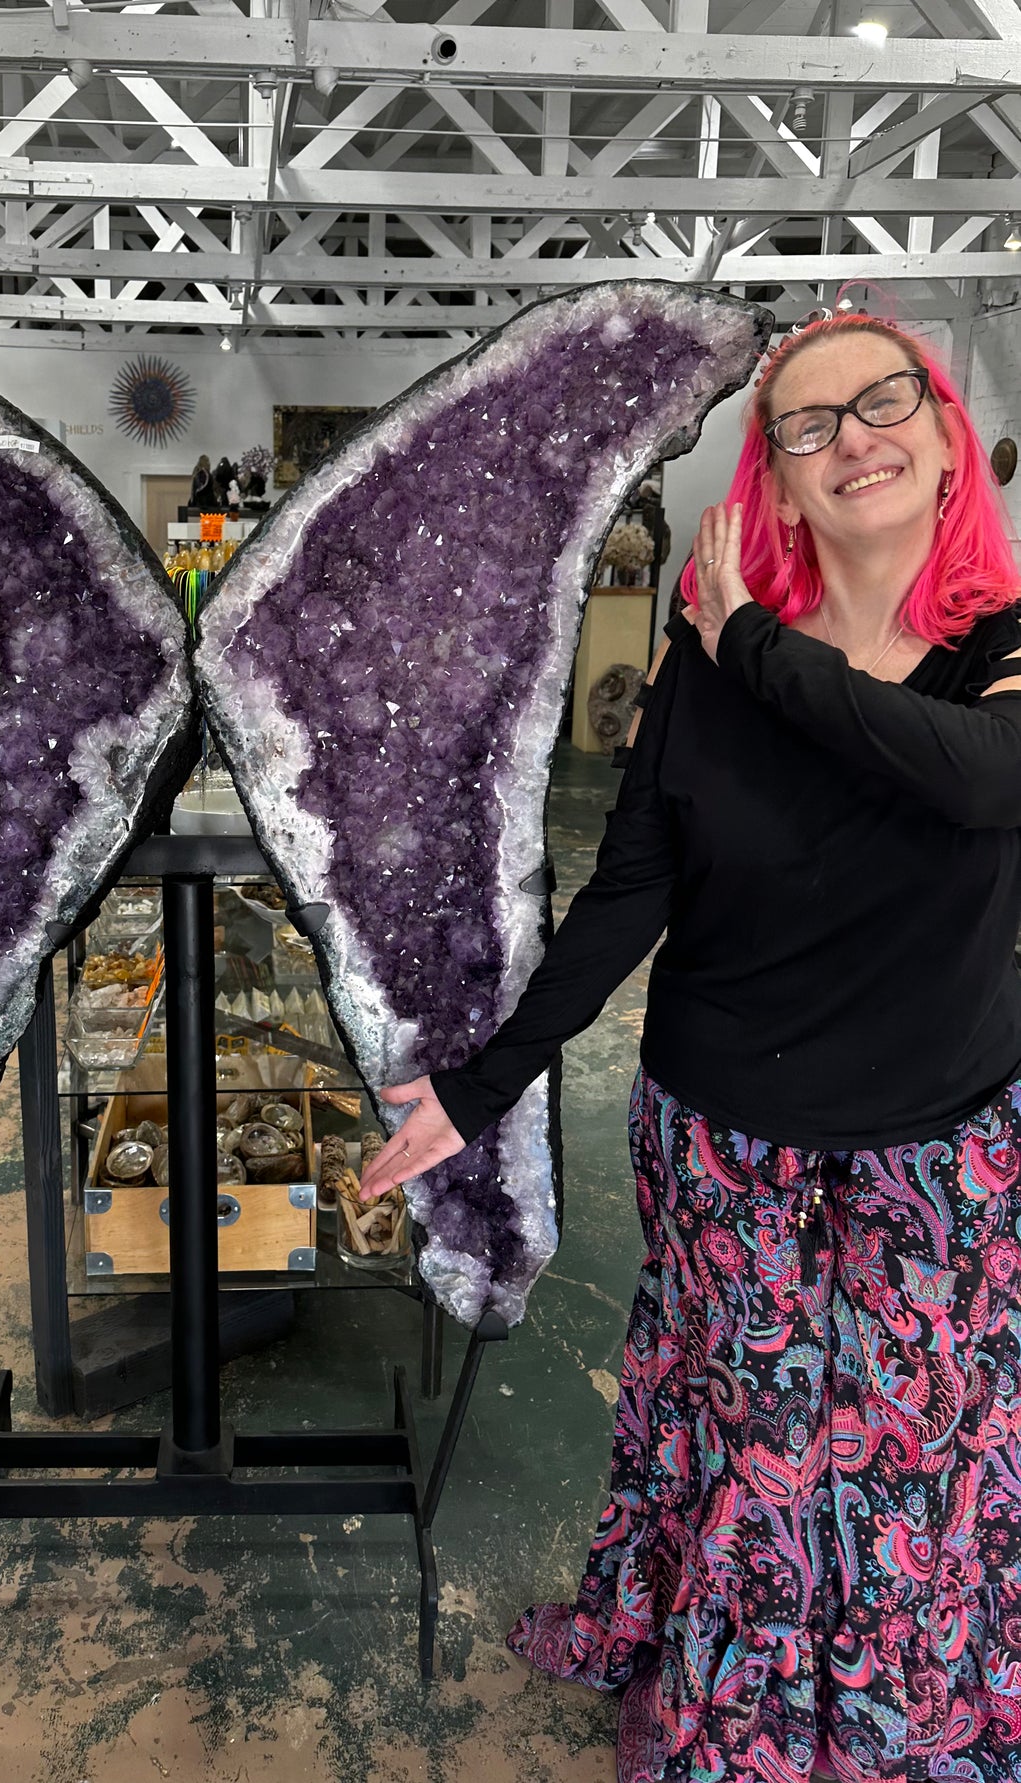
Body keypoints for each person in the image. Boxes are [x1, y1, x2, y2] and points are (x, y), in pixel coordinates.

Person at [359, 310, 1021, 1782]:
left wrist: (747, 645)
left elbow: (985, 784)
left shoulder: (1000, 641)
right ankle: (743, 1721)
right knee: (753, 1432)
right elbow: (629, 892)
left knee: (912, 1447)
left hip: (940, 1140)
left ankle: (885, 1718)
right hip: (725, 1128)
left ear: (940, 431)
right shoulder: (709, 672)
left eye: (882, 402)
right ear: (774, 482)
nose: (853, 437)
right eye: (805, 423)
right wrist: (481, 1084)